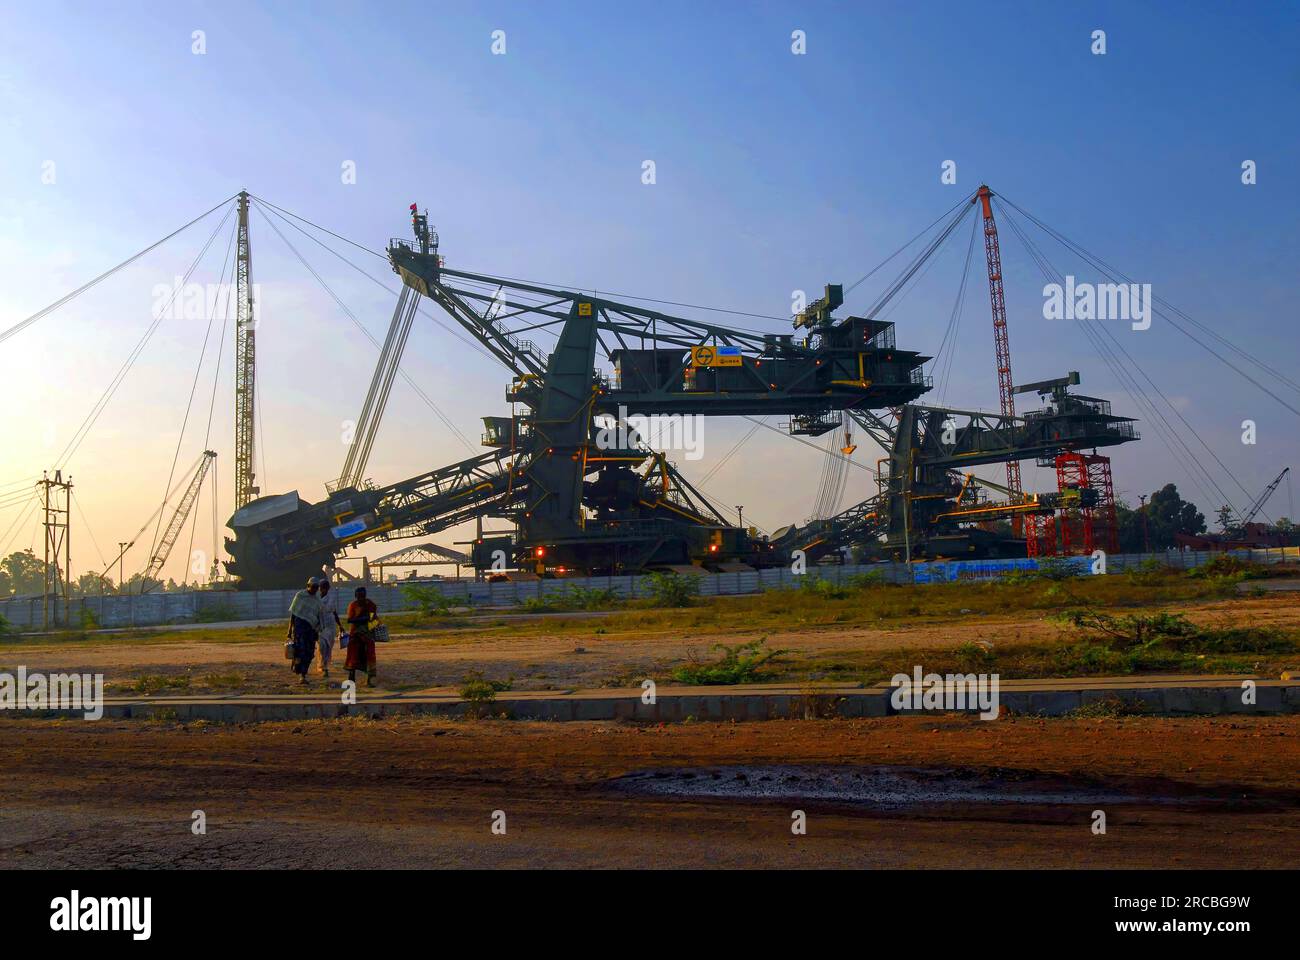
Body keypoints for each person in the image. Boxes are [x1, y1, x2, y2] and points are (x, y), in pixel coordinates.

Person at [286, 577, 322, 685]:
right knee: (300, 652)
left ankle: (303, 673)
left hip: (310, 631)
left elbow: (317, 617)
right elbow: (293, 614)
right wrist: (289, 631)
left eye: (316, 588)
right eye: (313, 587)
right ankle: (302, 675)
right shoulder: (300, 596)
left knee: (310, 653)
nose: (315, 590)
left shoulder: (317, 600)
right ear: (308, 586)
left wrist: (317, 630)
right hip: (299, 629)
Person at [345, 586, 379, 687]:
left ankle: (370, 680)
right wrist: (363, 619)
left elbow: (373, 619)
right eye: (359, 596)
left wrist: (368, 624)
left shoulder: (370, 605)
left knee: (370, 656)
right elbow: (350, 619)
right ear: (356, 596)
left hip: (368, 634)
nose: (361, 599)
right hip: (355, 634)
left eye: (363, 596)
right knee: (353, 656)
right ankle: (351, 678)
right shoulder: (353, 605)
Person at [316, 577, 341, 679]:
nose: (323, 589)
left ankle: (325, 666)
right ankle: (322, 666)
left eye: (325, 587)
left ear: (328, 588)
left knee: (328, 647)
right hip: (319, 626)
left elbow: (334, 612)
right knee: (322, 645)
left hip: (330, 625)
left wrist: (340, 626)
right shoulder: (315, 598)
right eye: (322, 587)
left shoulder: (331, 598)